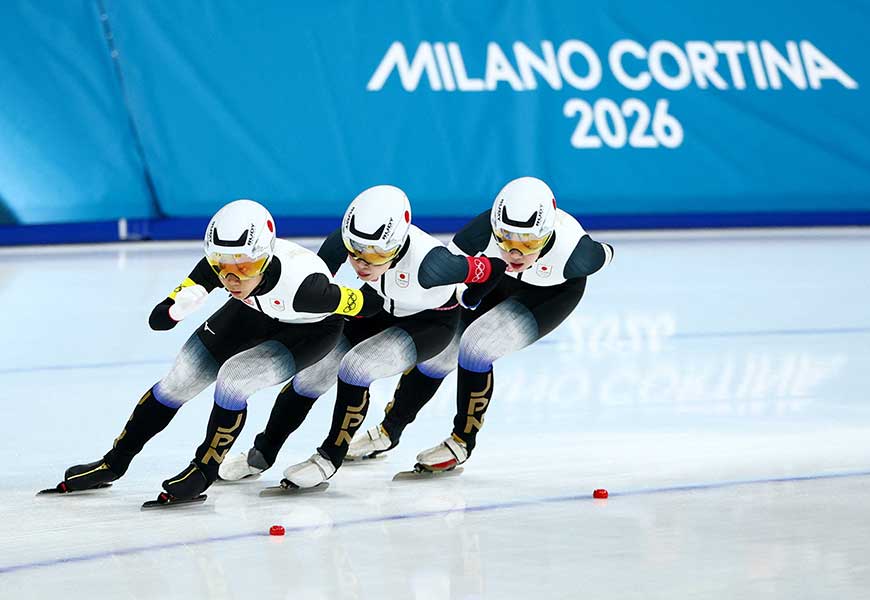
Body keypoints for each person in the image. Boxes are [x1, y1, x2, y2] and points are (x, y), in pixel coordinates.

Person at [48, 199, 380, 504]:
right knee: (179, 380)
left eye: (245, 267)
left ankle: (204, 470)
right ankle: (114, 463)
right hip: (252, 311)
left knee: (235, 379)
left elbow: (367, 305)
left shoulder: (309, 290)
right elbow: (157, 320)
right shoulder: (225, 260)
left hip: (310, 329)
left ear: (265, 258)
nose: (232, 278)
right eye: (222, 267)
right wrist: (175, 309)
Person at [220, 185, 507, 488]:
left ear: (398, 244)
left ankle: (329, 457)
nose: (362, 263)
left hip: (431, 321)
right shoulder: (348, 239)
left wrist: (470, 299)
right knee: (313, 374)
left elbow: (495, 268)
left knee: (357, 367)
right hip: (378, 305)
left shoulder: (434, 265)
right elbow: (313, 279)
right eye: (355, 252)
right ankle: (263, 452)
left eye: (376, 254)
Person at [346, 176, 614, 472]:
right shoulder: (482, 230)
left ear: (548, 233)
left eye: (529, 243)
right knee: (442, 351)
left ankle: (462, 441)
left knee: (478, 346)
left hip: (550, 293)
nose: (515, 253)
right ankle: (388, 431)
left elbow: (607, 252)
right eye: (506, 239)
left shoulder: (577, 254)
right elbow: (451, 273)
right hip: (497, 280)